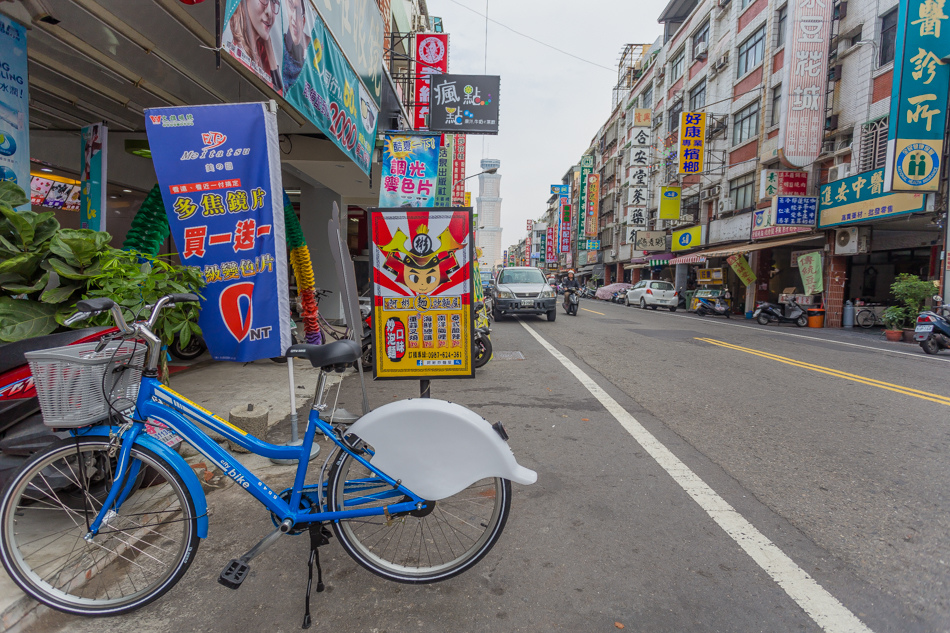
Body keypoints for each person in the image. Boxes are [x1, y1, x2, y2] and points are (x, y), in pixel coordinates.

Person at [227, 0, 283, 94]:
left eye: (274, 2)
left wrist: (269, 46)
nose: (269, 11)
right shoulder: (233, 45)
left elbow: (278, 93)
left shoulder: (262, 50)